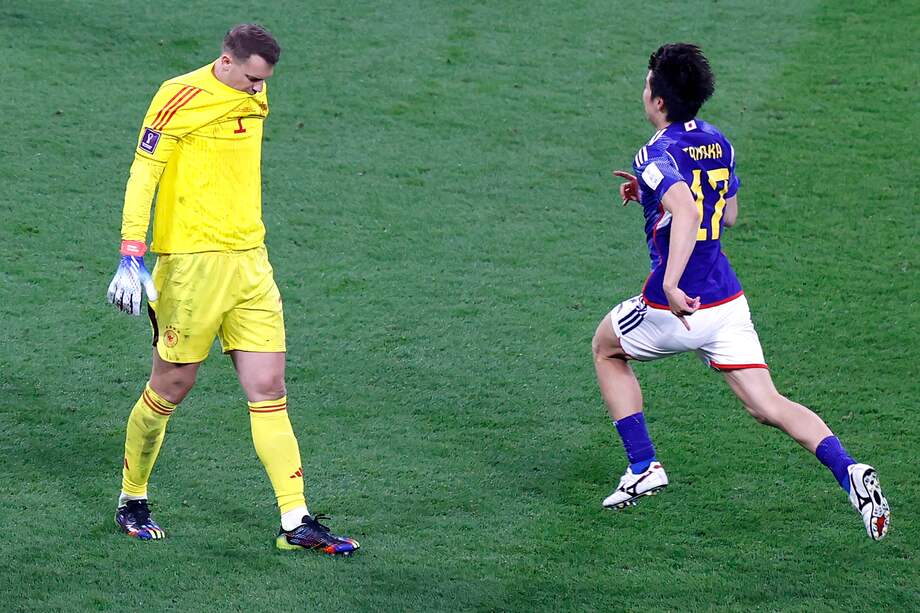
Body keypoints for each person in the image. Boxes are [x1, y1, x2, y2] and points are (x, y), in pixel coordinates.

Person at [594, 43, 890, 540]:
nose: (644, 90)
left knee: (605, 349)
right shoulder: (719, 142)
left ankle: (644, 466)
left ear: (659, 101)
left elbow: (687, 209)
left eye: (648, 84)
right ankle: (850, 472)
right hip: (727, 302)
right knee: (766, 404)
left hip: (678, 306)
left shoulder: (654, 152)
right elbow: (725, 212)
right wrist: (651, 196)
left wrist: (669, 282)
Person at [106, 24, 359, 555]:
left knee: (269, 387)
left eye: (263, 80)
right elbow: (144, 170)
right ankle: (132, 498)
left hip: (251, 262)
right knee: (171, 386)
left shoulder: (255, 92)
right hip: (191, 266)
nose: (256, 89)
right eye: (249, 78)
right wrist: (132, 248)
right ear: (225, 61)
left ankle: (297, 520)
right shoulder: (179, 97)